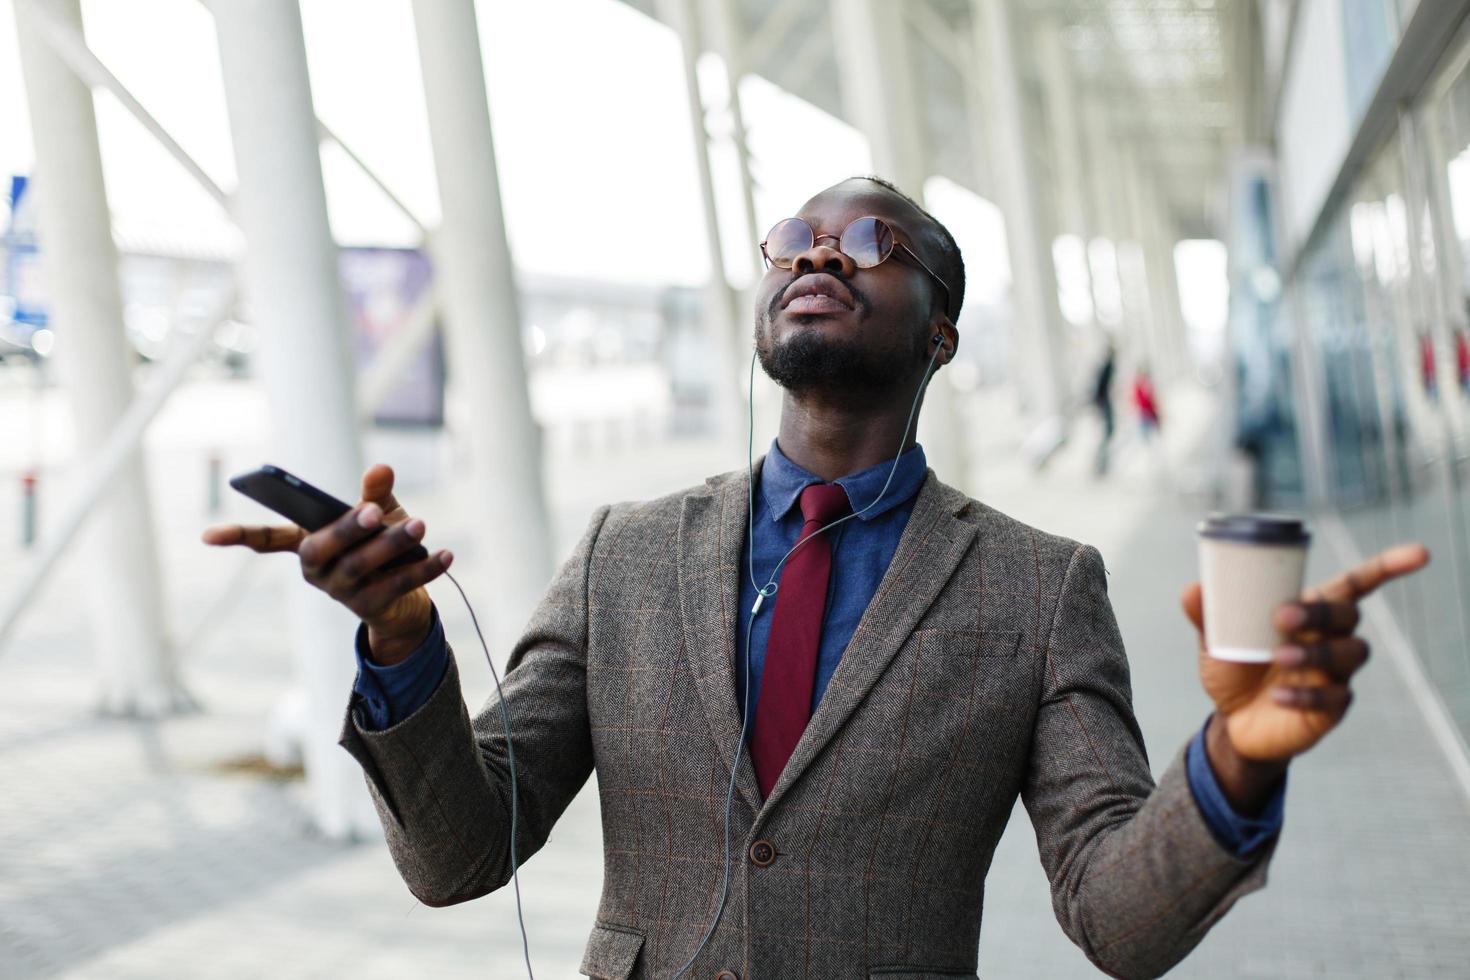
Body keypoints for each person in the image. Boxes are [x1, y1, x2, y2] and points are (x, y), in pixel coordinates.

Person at [203, 176, 1429, 979]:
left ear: (941, 331)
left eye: (867, 242)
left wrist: (1240, 756)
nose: (817, 258)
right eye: (791, 242)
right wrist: (405, 639)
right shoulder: (624, 553)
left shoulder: (1040, 589)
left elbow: (1114, 913)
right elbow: (459, 856)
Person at [1091, 340, 1116, 475]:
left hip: (1103, 404)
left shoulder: (1105, 366)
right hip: (1103, 404)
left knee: (1107, 434)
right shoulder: (1108, 366)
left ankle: (1101, 465)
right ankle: (1101, 466)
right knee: (1106, 433)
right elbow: (1101, 388)